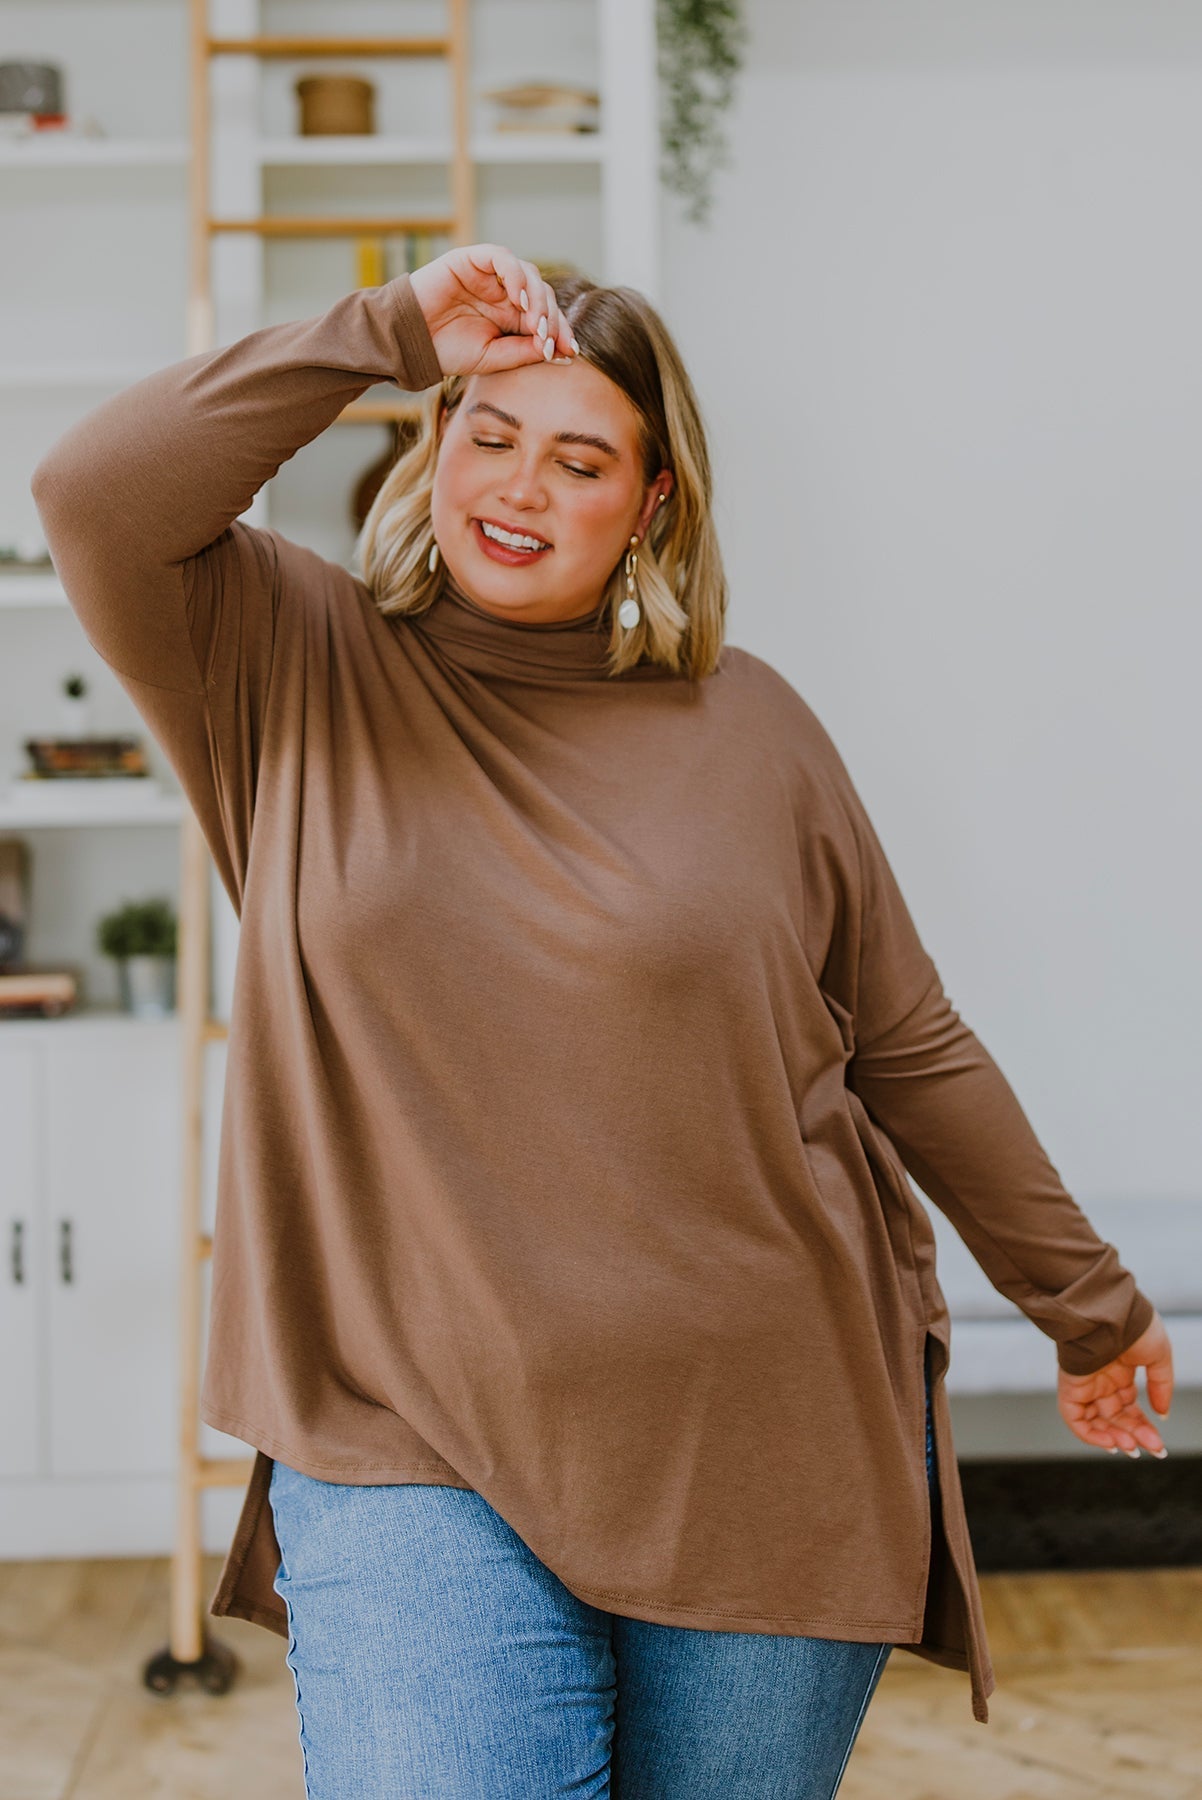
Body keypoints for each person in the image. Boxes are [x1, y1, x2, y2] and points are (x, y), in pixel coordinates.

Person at [31, 243, 1174, 1799]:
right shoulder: (287, 664)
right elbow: (94, 494)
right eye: (488, 433)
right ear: (434, 442)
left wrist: (1087, 1306)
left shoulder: (753, 727)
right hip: (401, 1421)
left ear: (650, 505)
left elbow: (906, 1044)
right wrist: (387, 330)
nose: (518, 487)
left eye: (578, 462)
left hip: (761, 1425)